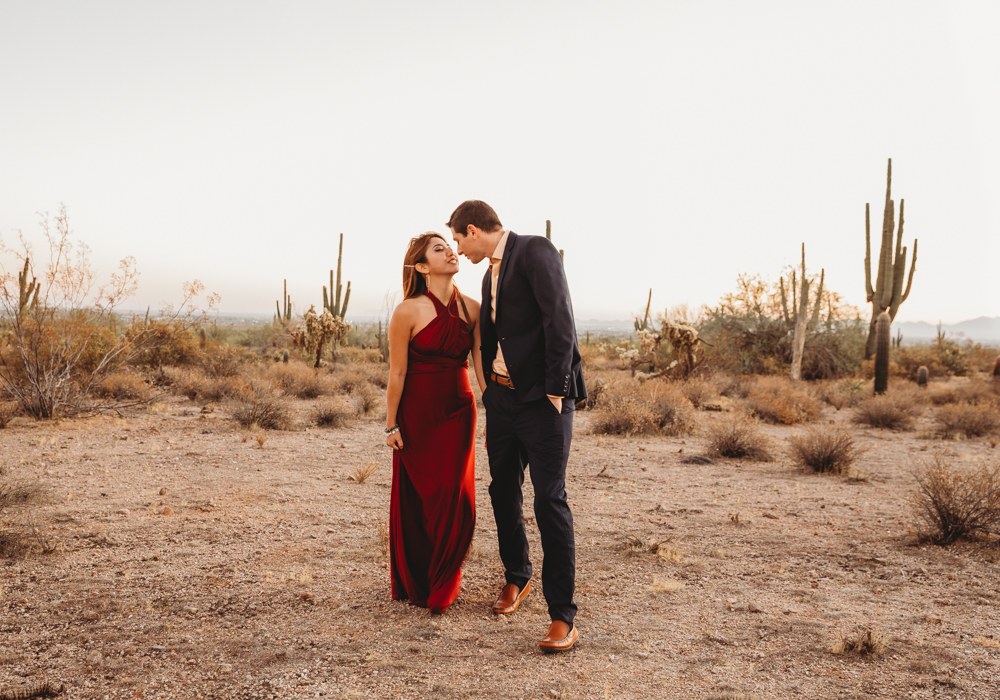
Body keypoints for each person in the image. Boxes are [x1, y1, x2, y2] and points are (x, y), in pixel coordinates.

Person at [448, 200, 586, 653]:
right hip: (504, 401)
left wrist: (556, 388)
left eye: (457, 239)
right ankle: (517, 577)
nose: (457, 249)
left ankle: (563, 616)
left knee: (549, 499)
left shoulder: (534, 250)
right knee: (501, 489)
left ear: (472, 229)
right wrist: (489, 390)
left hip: (543, 403)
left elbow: (559, 317)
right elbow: (495, 335)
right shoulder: (490, 272)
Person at [384, 232, 486, 614]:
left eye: (450, 246)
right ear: (423, 267)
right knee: (421, 495)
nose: (450, 252)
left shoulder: (473, 309)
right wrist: (391, 425)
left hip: (459, 411)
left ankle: (446, 580)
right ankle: (419, 578)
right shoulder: (407, 311)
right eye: (439, 250)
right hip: (417, 413)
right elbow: (397, 374)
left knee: (454, 496)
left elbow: (479, 365)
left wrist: (498, 404)